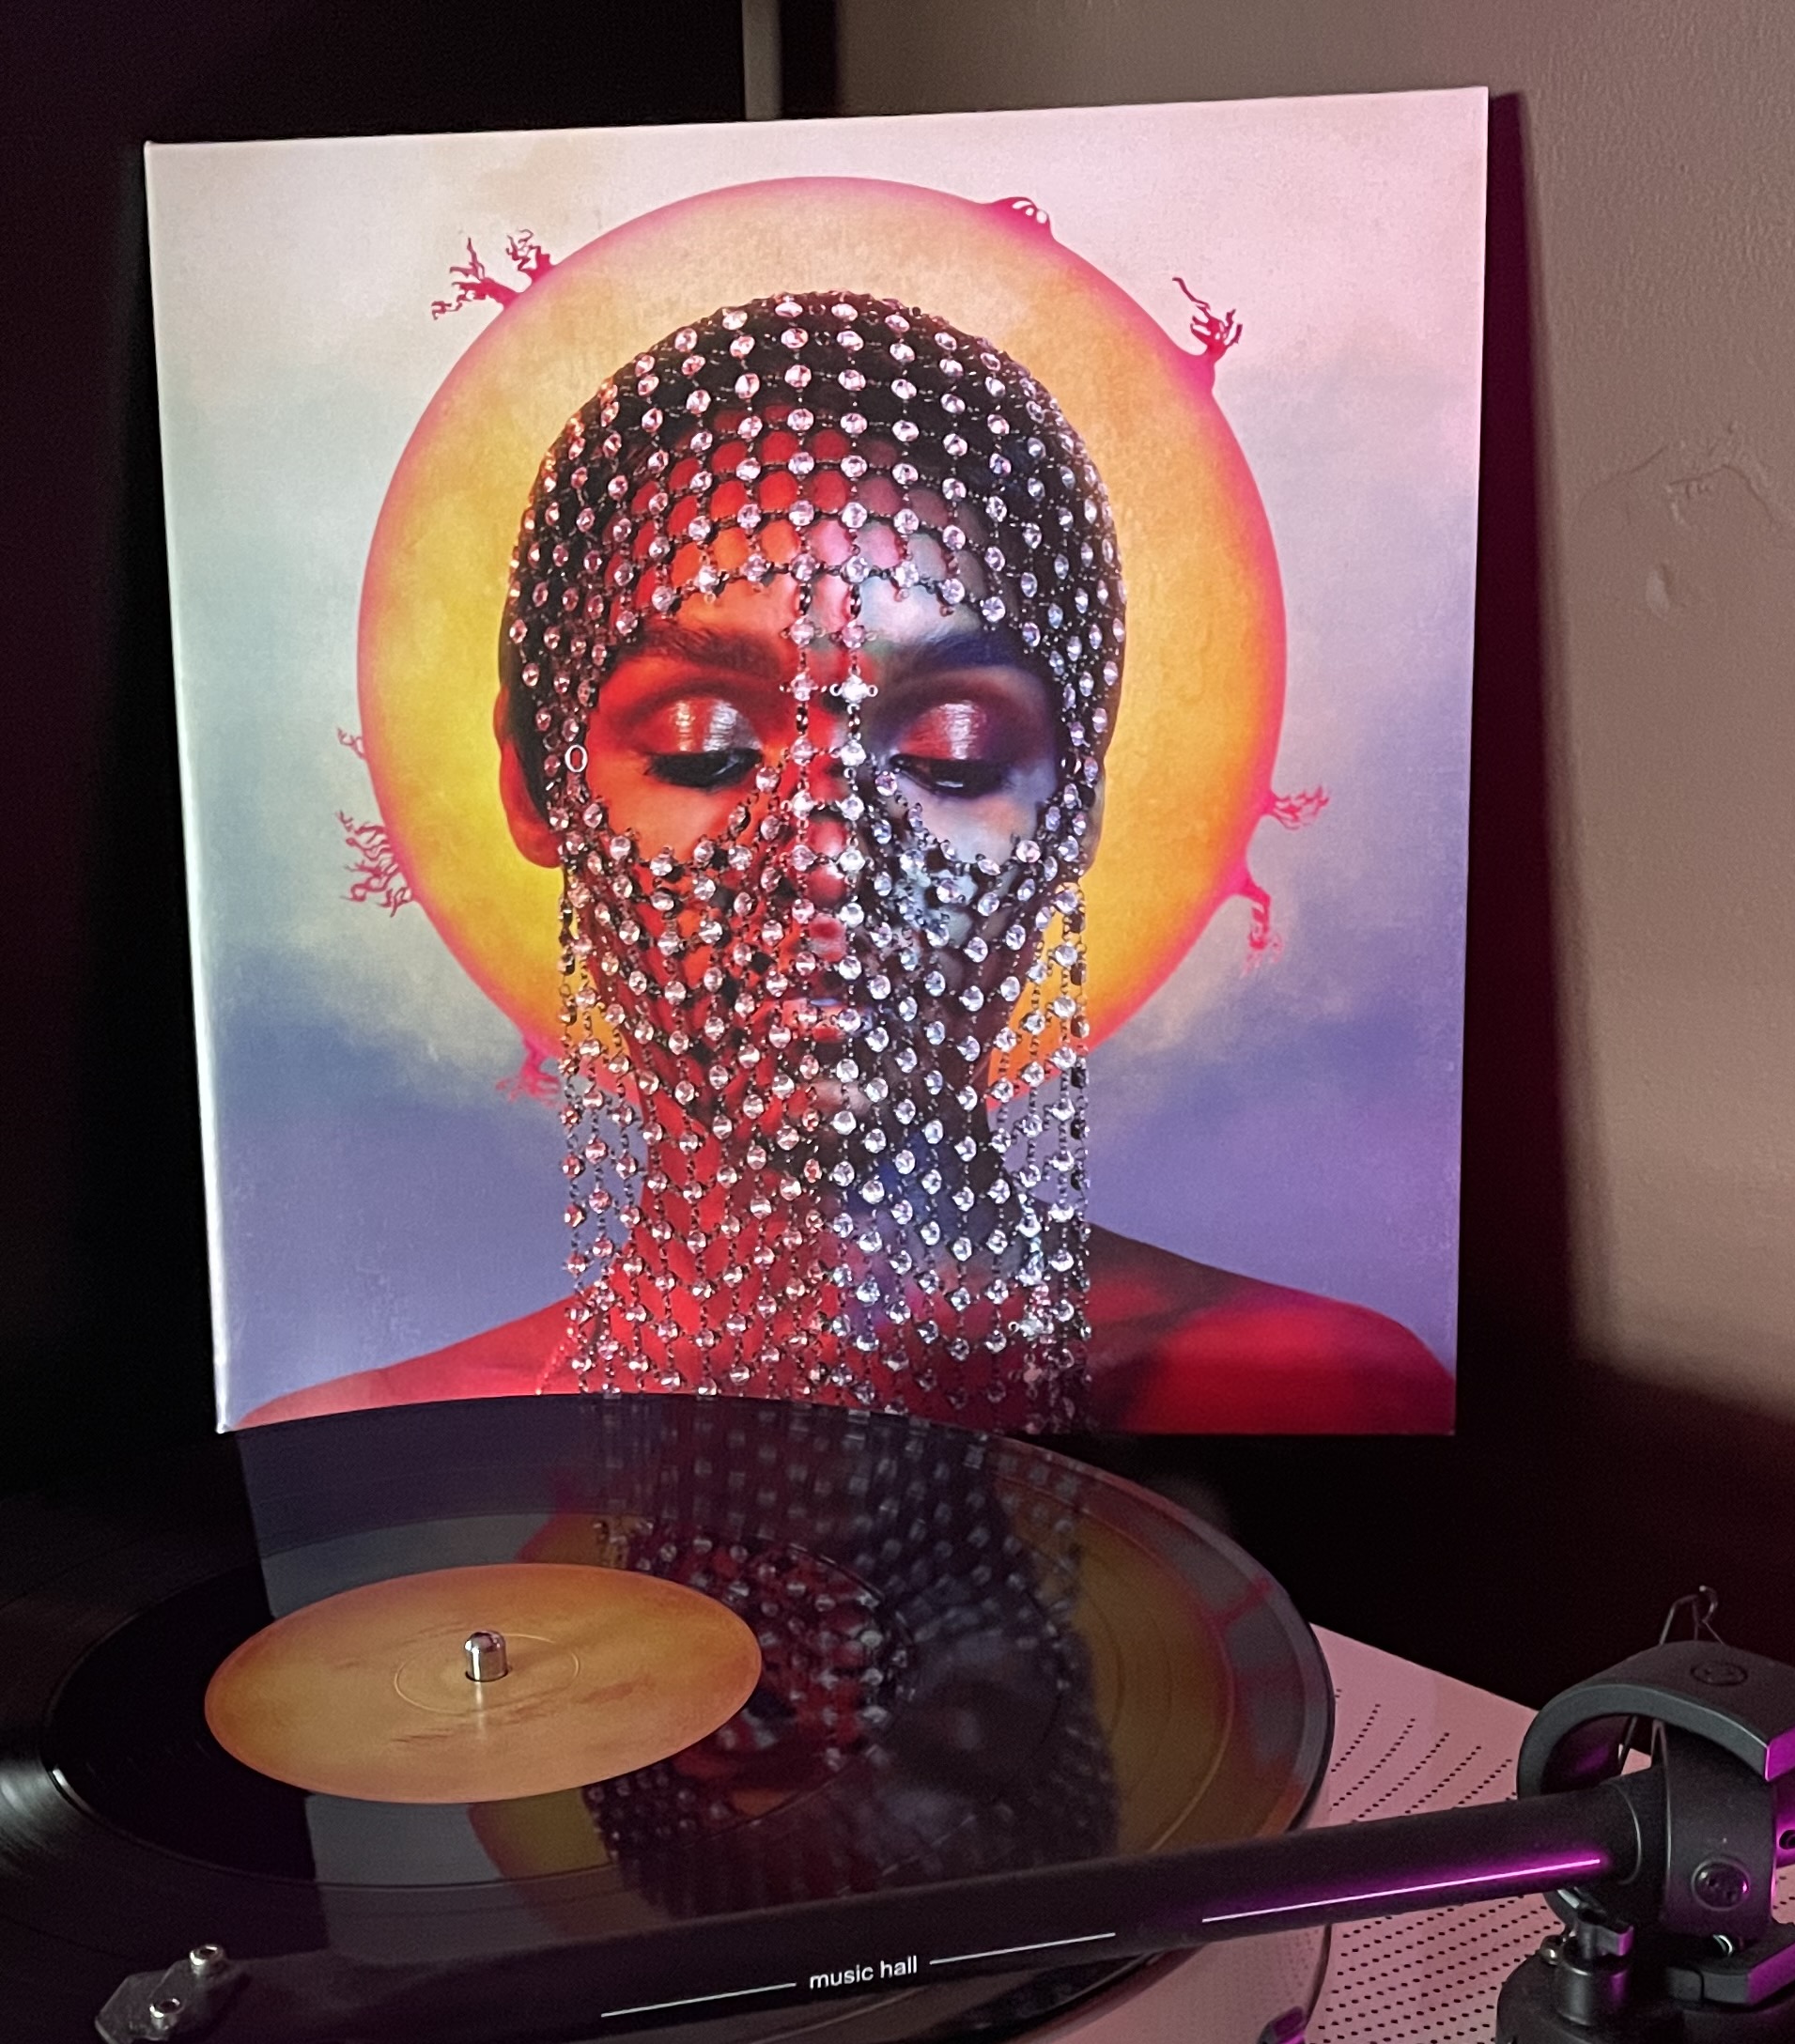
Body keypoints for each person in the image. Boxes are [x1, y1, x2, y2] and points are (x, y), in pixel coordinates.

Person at [255, 291, 1447, 1433]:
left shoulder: (1314, 1391)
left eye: (951, 753)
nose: (827, 857)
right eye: (706, 748)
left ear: (1075, 801)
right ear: (535, 785)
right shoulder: (384, 1459)